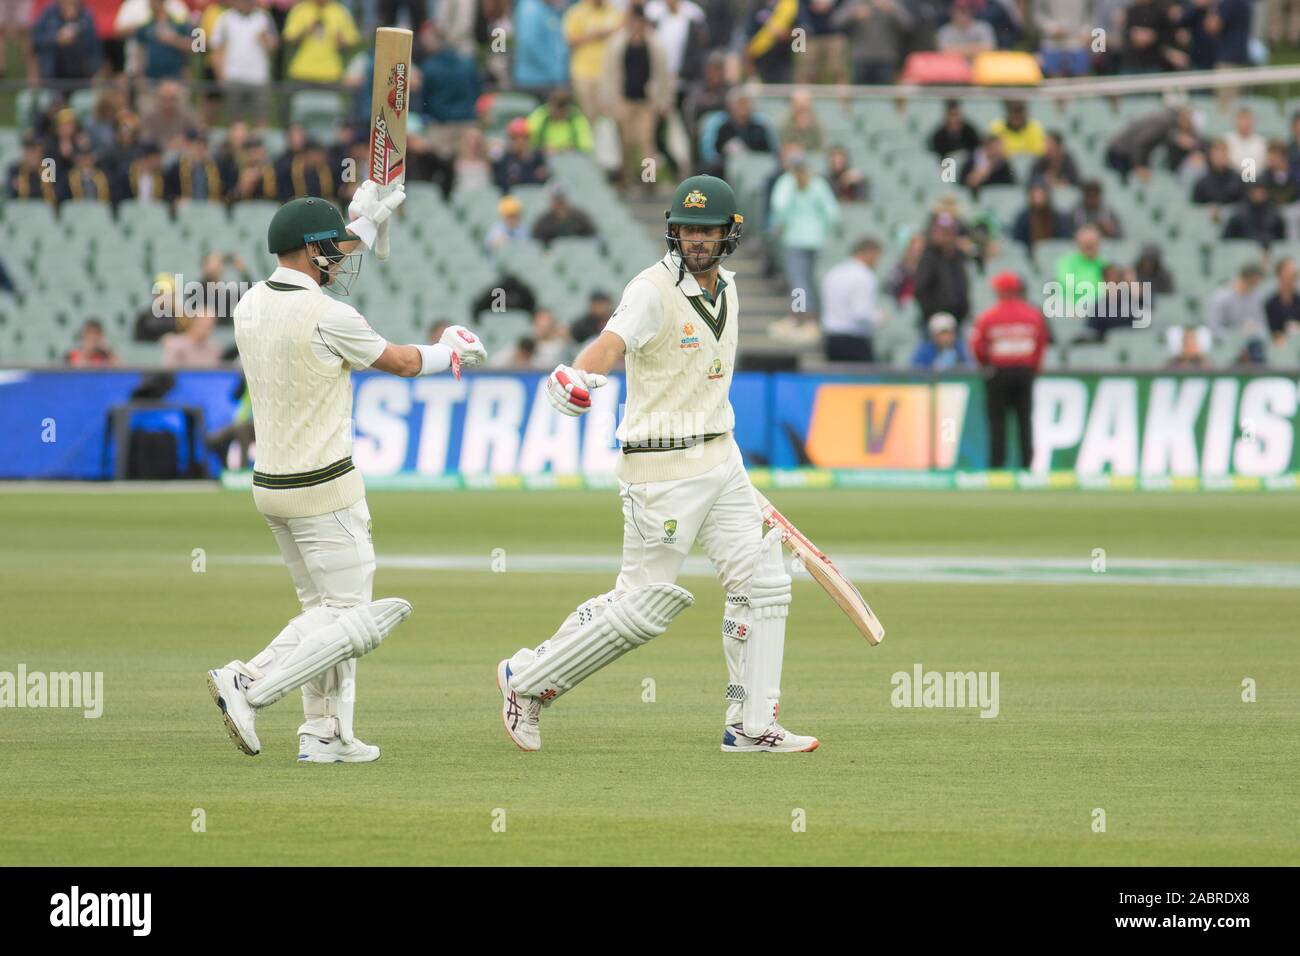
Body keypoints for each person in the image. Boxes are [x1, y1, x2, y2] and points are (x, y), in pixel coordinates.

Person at [497, 174, 819, 754]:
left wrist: (732, 467)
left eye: (708, 231)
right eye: (687, 230)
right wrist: (579, 373)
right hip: (660, 470)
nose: (696, 241)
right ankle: (528, 681)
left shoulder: (732, 289)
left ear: (730, 235)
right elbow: (612, 340)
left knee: (766, 582)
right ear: (673, 232)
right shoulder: (650, 289)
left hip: (723, 459)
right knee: (642, 608)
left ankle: (751, 725)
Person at [206, 186, 488, 763]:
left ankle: (325, 734)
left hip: (271, 486)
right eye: (332, 250)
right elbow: (406, 362)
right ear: (312, 253)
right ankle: (248, 680)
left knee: (324, 615)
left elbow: (314, 253)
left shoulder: (250, 303)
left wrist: (360, 220)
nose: (341, 258)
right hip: (324, 487)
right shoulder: (330, 315)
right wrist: (450, 349)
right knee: (349, 618)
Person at [970, 272, 1049, 470]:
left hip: (998, 373)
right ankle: (1026, 466)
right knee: (1025, 421)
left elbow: (978, 346)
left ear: (1001, 291)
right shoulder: (1032, 315)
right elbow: (1041, 344)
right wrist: (1033, 369)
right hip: (1024, 372)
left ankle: (997, 467)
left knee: (997, 423)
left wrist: (986, 365)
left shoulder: (989, 316)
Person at [819, 237, 883, 362]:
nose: (877, 262)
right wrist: (878, 317)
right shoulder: (864, 275)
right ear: (869, 253)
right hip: (855, 340)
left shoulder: (834, 272)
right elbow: (860, 313)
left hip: (831, 339)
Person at [1265, 257, 1300, 345]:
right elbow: (1270, 332)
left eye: (1294, 274)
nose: (1292, 276)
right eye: (1288, 273)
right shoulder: (1270, 304)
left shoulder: (1298, 300)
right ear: (1279, 275)